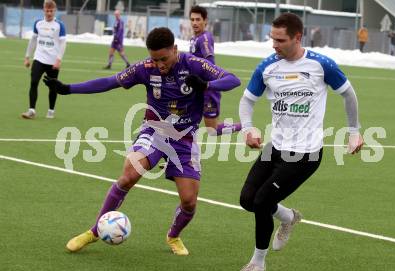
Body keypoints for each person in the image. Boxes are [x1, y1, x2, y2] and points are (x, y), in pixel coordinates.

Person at [44, 27, 241, 255]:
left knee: (189, 202)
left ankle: (173, 236)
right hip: (154, 131)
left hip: (185, 138)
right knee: (128, 174)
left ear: (175, 49)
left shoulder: (194, 65)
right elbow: (110, 82)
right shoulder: (144, 68)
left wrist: (207, 85)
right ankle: (94, 232)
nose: (159, 64)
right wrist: (69, 89)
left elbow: (232, 80)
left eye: (164, 59)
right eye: (154, 59)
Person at [232, 13, 363, 271]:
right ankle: (289, 217)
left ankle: (258, 263)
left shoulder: (320, 65)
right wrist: (248, 128)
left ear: (297, 37)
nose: (274, 45)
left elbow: (348, 94)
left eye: (280, 40)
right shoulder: (267, 67)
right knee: (247, 200)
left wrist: (354, 132)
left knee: (262, 200)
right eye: (272, 39)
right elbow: (247, 101)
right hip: (275, 147)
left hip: (306, 153)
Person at [189, 5, 241, 136]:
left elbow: (209, 61)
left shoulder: (204, 39)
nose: (194, 23)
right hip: (197, 88)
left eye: (198, 19)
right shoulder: (195, 38)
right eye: (192, 19)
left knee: (212, 130)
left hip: (208, 90)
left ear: (205, 20)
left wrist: (203, 81)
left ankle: (243, 126)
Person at [21, 0, 66, 119]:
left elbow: (63, 43)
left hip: (52, 62)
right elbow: (33, 40)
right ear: (44, 10)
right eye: (47, 10)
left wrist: (58, 60)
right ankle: (31, 110)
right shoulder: (38, 23)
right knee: (34, 82)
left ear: (54, 11)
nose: (49, 13)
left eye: (51, 11)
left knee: (53, 87)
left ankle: (51, 110)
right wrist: (27, 57)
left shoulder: (59, 25)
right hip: (39, 58)